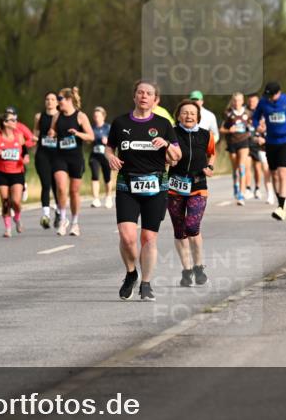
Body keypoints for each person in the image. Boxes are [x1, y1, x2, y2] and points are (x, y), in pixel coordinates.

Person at [106, 81, 181, 301]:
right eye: (140, 92)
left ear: (155, 99)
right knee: (127, 237)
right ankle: (131, 273)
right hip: (127, 184)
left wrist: (166, 145)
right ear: (134, 96)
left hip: (156, 186)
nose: (144, 96)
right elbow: (110, 147)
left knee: (148, 237)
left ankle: (146, 283)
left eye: (149, 93)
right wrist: (110, 156)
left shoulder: (164, 123)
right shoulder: (120, 122)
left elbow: (177, 156)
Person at [167, 100, 215, 287]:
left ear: (198, 117)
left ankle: (199, 266)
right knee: (179, 230)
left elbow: (212, 154)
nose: (189, 116)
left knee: (191, 226)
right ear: (178, 115)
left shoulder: (206, 135)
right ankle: (186, 270)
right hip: (174, 186)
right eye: (185, 113)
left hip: (198, 186)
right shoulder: (171, 134)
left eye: (192, 113)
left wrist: (210, 166)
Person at [251, 81, 286, 221]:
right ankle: (281, 200)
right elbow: (255, 117)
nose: (269, 98)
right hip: (271, 142)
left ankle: (282, 207)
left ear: (279, 93)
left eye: (272, 96)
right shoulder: (264, 102)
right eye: (267, 96)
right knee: (274, 175)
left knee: (283, 173)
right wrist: (257, 126)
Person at [49, 87, 94, 236]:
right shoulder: (57, 116)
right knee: (61, 187)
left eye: (60, 99)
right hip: (59, 156)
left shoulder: (80, 116)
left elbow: (91, 137)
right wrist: (52, 133)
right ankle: (62, 220)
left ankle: (75, 223)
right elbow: (53, 131)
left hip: (75, 157)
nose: (58, 103)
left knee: (74, 191)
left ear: (68, 100)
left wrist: (78, 133)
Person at [0, 112, 30, 237]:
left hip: (17, 172)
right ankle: (8, 228)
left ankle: (17, 217)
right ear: (5, 123)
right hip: (2, 173)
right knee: (5, 202)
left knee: (16, 201)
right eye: (13, 120)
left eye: (15, 120)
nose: (16, 122)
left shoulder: (19, 136)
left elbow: (25, 152)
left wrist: (26, 157)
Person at [33, 92, 60, 229]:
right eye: (47, 99)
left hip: (58, 155)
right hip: (42, 154)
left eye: (52, 99)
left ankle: (59, 212)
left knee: (57, 186)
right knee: (46, 184)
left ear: (57, 102)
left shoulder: (61, 116)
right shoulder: (39, 116)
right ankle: (45, 215)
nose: (50, 102)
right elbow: (35, 134)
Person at [220, 92, 253, 205]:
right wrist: (229, 130)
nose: (237, 102)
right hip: (232, 143)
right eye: (235, 100)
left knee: (241, 166)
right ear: (232, 101)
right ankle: (236, 184)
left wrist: (254, 128)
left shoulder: (247, 113)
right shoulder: (228, 114)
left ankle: (241, 194)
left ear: (243, 101)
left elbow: (252, 126)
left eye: (239, 100)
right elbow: (222, 129)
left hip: (244, 142)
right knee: (235, 169)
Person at [246, 94, 272, 204]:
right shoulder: (247, 114)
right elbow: (247, 130)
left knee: (272, 171)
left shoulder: (268, 112)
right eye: (251, 101)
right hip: (255, 145)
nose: (252, 103)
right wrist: (256, 137)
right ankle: (269, 194)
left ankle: (259, 187)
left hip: (272, 145)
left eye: (255, 101)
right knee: (264, 169)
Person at [89, 106, 114, 209]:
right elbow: (88, 139)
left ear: (103, 116)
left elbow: (114, 141)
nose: (96, 118)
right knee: (95, 175)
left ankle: (108, 197)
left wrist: (107, 141)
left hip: (106, 155)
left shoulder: (108, 128)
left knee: (107, 176)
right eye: (95, 116)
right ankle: (96, 199)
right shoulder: (91, 128)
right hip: (94, 155)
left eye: (98, 116)